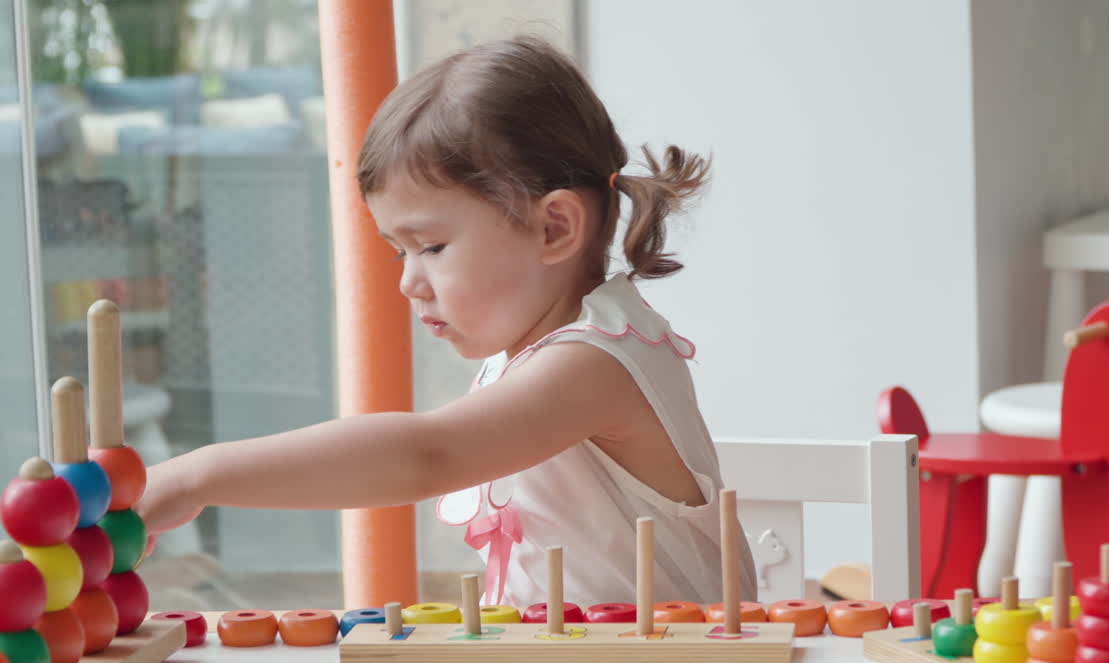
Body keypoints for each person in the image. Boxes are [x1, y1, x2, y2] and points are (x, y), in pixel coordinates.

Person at [135, 34, 756, 608]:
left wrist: (197, 476)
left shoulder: (595, 362)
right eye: (397, 251)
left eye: (430, 247)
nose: (408, 280)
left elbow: (425, 455)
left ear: (554, 228)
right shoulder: (529, 354)